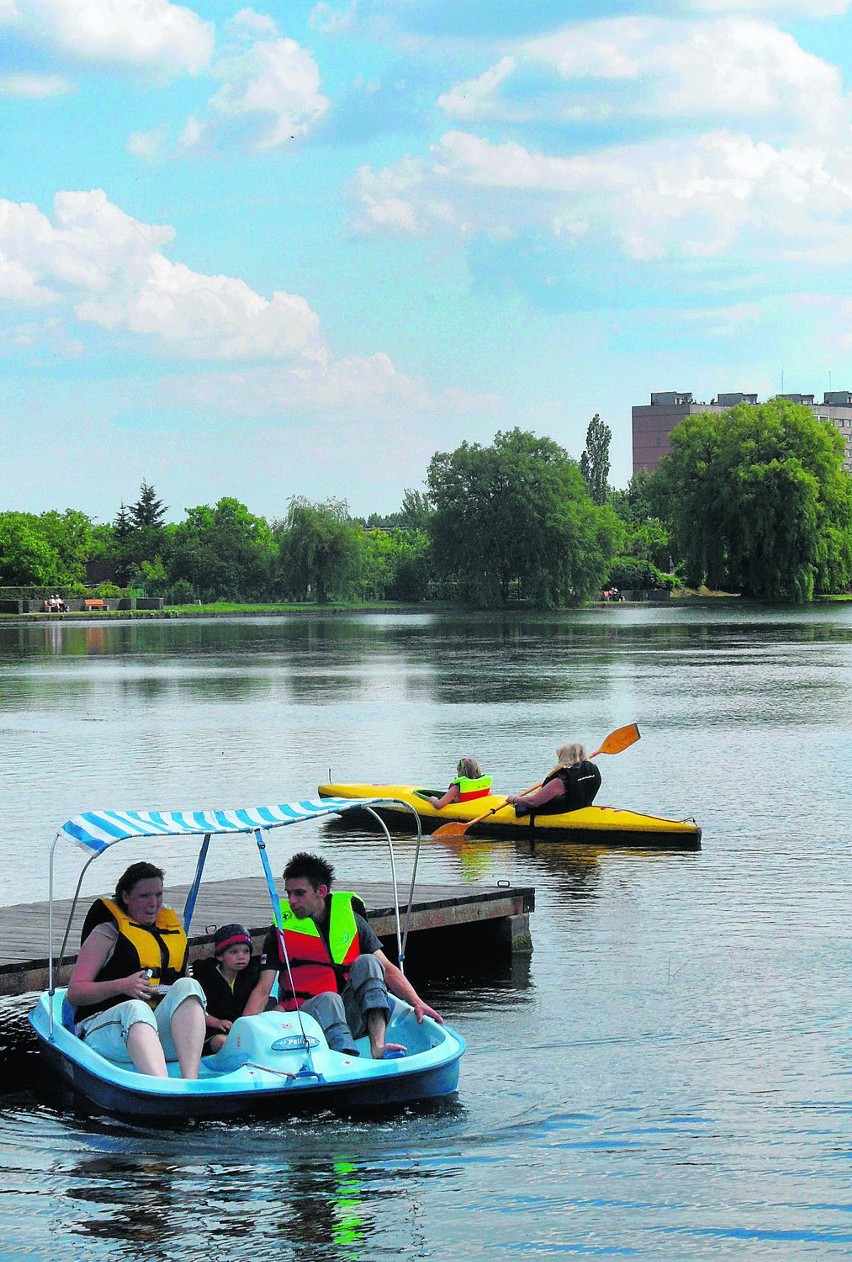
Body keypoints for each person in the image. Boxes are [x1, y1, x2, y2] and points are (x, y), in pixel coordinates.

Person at [243, 852, 443, 1059]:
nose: (292, 901)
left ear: (320, 891)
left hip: (351, 1014)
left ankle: (378, 1046)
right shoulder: (280, 932)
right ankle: (347, 1058)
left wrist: (417, 1002)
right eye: (289, 893)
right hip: (307, 1022)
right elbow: (263, 990)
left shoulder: (352, 921)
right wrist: (241, 1034)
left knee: (369, 961)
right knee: (329, 1000)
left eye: (299, 893)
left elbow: (387, 969)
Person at [66, 861, 207, 1079]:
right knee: (135, 1008)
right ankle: (161, 1089)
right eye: (144, 896)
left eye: (158, 895)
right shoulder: (106, 933)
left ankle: (190, 1082)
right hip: (107, 1033)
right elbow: (75, 993)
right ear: (125, 897)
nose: (153, 903)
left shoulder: (169, 934)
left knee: (189, 985)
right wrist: (122, 986)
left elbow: (184, 997)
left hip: (152, 1032)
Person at [193, 922, 261, 1053]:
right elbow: (197, 1009)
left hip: (242, 1028)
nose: (241, 956)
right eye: (233, 952)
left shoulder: (253, 974)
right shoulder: (206, 977)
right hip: (214, 1029)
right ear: (220, 956)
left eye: (246, 951)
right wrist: (216, 1022)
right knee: (222, 1043)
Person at [507, 743, 602, 817]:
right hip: (581, 808)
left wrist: (514, 799)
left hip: (558, 813)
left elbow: (533, 802)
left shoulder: (560, 781)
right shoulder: (593, 771)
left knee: (523, 806)